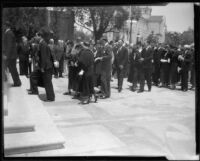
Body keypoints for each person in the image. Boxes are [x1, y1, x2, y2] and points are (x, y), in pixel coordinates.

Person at [28, 28, 55, 101]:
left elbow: (44, 57)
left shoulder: (43, 44)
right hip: (43, 66)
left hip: (46, 67)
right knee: (33, 75)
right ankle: (34, 91)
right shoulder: (41, 43)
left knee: (48, 82)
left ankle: (51, 98)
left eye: (36, 36)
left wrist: (42, 67)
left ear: (40, 36)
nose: (35, 37)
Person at [3, 21, 21, 86]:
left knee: (13, 69)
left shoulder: (9, 33)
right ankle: (17, 82)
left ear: (6, 26)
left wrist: (6, 55)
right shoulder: (9, 33)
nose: (3, 26)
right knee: (12, 69)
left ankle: (17, 82)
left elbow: (9, 45)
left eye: (4, 25)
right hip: (11, 56)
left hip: (10, 56)